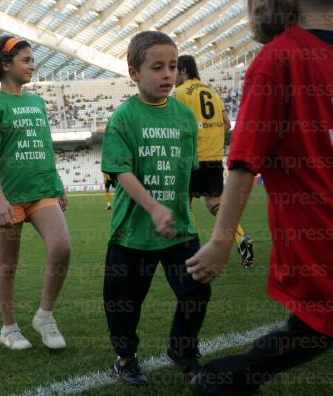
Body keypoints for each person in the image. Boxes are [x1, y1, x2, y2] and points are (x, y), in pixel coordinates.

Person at [186, 1, 333, 395]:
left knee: (316, 328)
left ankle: (224, 379)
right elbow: (245, 160)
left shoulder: (281, 57)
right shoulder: (280, 59)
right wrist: (220, 240)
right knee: (316, 326)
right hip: (318, 235)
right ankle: (225, 379)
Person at [101, 31, 211, 385]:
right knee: (123, 302)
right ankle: (125, 357)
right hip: (132, 231)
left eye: (173, 66)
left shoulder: (183, 117)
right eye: (157, 67)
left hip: (179, 229)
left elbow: (187, 172)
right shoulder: (124, 117)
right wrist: (152, 207)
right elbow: (120, 171)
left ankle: (182, 348)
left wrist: (183, 212)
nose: (167, 74)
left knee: (197, 290)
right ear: (134, 73)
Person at [0, 35, 71, 350]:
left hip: (42, 191)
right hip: (9, 198)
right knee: (8, 264)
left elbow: (44, 147)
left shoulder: (37, 102)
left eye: (32, 59)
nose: (33, 65)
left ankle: (45, 315)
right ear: (5, 65)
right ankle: (9, 328)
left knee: (61, 249)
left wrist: (57, 186)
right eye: (26, 60)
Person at [174, 55, 255, 268]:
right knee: (214, 202)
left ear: (183, 71)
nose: (172, 76)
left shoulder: (180, 93)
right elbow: (227, 124)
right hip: (214, 157)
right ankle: (241, 238)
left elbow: (177, 125)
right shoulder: (212, 92)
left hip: (193, 157)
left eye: (175, 70)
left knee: (183, 202)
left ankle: (191, 249)